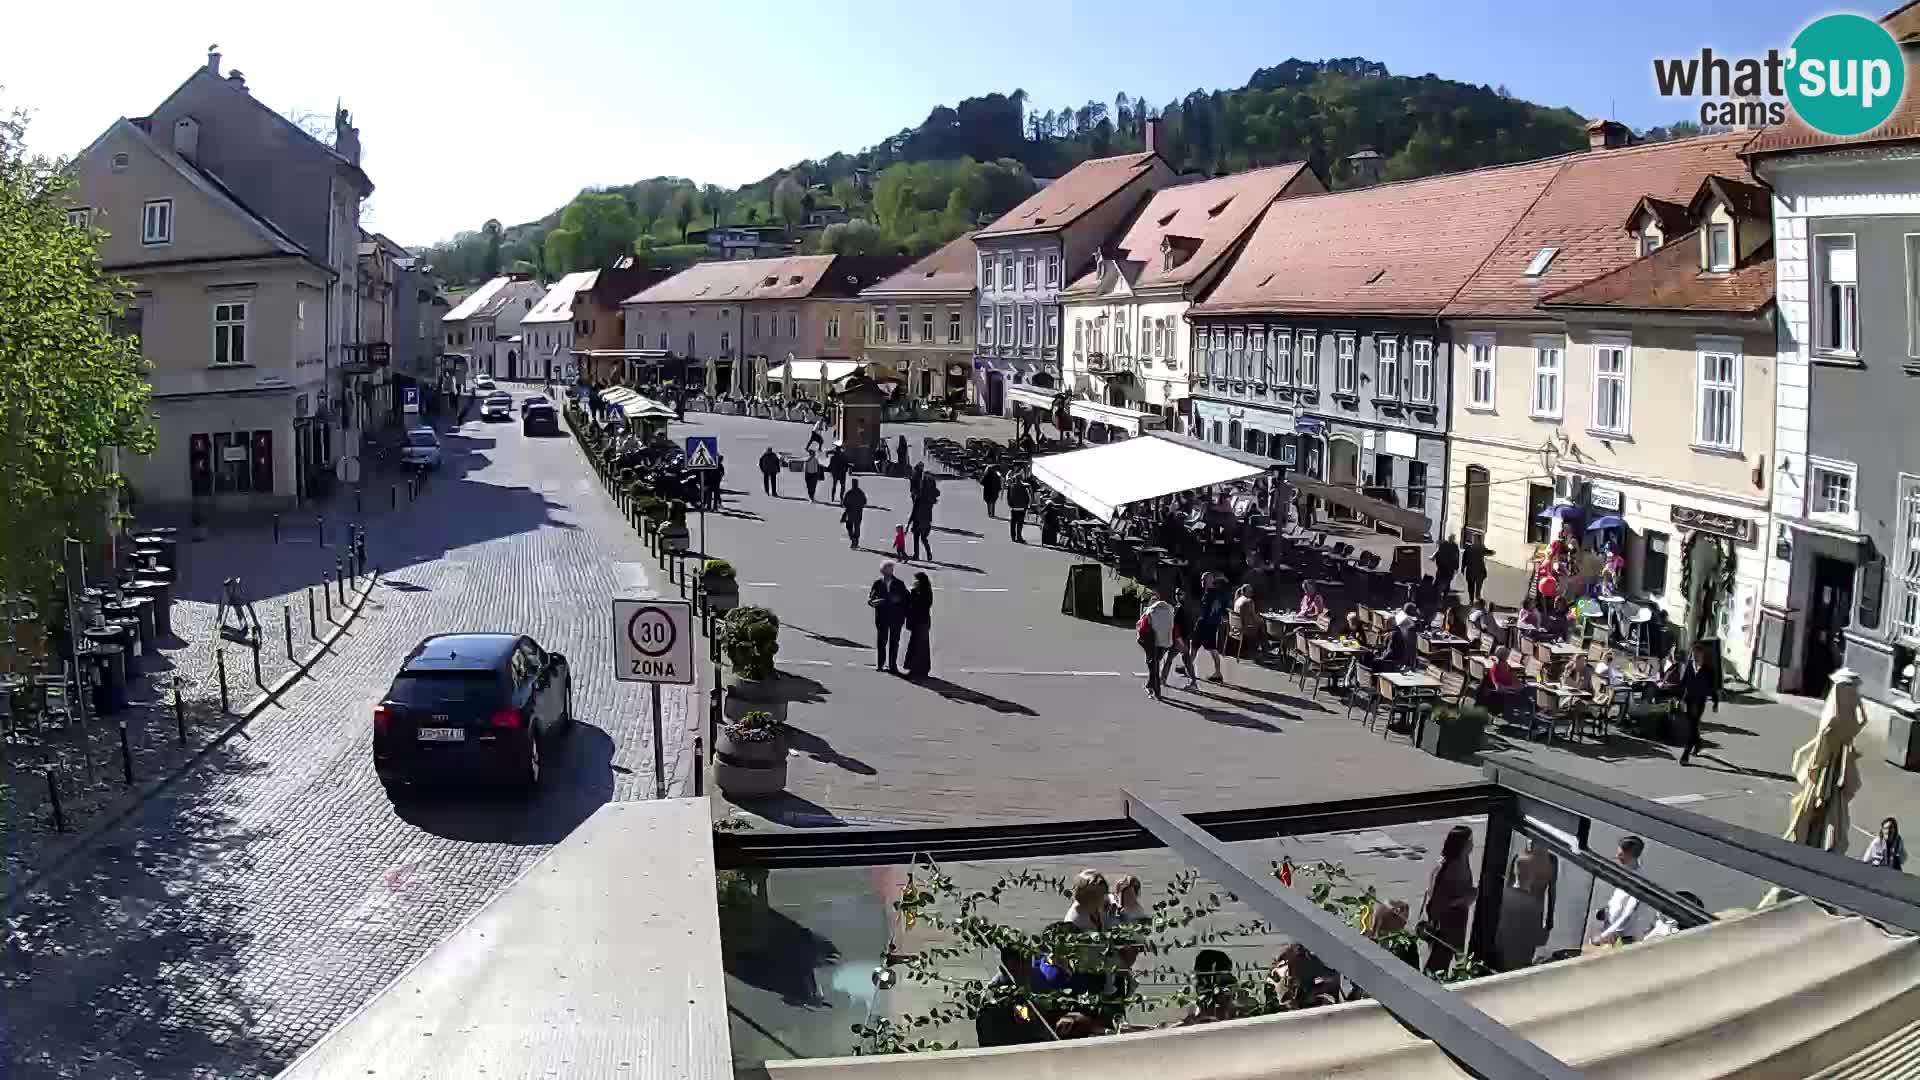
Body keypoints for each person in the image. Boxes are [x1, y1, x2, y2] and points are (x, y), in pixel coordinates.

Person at [1422, 825, 1477, 975]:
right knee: (1440, 958)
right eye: (1470, 840)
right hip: (1447, 920)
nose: (1472, 844)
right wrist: (1463, 899)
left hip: (1458, 917)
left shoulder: (1462, 859)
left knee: (1450, 954)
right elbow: (1437, 898)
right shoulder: (1447, 866)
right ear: (1461, 843)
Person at [1495, 838, 1557, 971]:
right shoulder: (1520, 858)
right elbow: (1508, 883)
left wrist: (1550, 917)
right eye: (1529, 840)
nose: (1529, 842)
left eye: (1534, 840)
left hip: (1535, 909)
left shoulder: (1551, 861)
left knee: (1526, 945)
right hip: (1519, 906)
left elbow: (1552, 890)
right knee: (1513, 942)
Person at [1589, 836, 1656, 946]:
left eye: (1620, 854)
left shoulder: (1639, 880)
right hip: (1614, 933)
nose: (1616, 857)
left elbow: (1628, 913)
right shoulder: (1626, 874)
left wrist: (1604, 935)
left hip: (1625, 937)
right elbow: (1620, 902)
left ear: (1630, 854)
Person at [1677, 641, 1720, 766]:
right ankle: (1698, 743)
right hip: (1689, 700)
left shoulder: (1708, 670)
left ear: (1702, 655)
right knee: (1693, 726)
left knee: (1692, 727)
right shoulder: (1690, 667)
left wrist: (1715, 702)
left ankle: (1685, 755)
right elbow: (1683, 683)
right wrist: (1677, 697)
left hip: (1700, 701)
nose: (1695, 656)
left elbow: (1713, 688)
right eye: (1693, 653)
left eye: (1698, 654)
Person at [868, 562, 910, 673]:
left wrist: (898, 601)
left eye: (890, 569)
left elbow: (907, 598)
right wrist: (874, 602)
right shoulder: (877, 583)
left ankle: (892, 665)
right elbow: (871, 599)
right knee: (881, 641)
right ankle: (880, 664)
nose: (889, 571)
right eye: (886, 569)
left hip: (896, 618)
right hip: (882, 617)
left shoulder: (899, 583)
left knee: (894, 642)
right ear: (882, 571)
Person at [1193, 574, 1229, 683]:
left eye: (1205, 579)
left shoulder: (1209, 594)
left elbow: (1205, 611)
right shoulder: (1217, 593)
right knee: (1194, 646)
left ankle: (1218, 673)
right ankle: (1188, 664)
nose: (1202, 581)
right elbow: (1222, 608)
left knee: (1211, 649)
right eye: (1202, 579)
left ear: (1211, 581)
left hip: (1206, 625)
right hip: (1210, 624)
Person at [1162, 586, 1199, 690]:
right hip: (1185, 638)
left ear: (1184, 595)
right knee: (1186, 660)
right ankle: (1193, 683)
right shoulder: (1187, 607)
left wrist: (1177, 639)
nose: (1177, 596)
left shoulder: (1179, 608)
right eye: (1176, 594)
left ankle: (1162, 679)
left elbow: (1174, 625)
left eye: (1180, 594)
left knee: (1169, 659)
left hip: (1179, 639)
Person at [1141, 590, 1175, 700]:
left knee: (1153, 667)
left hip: (1153, 642)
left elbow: (1142, 627)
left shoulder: (1149, 611)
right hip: (1165, 643)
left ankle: (1156, 691)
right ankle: (1150, 685)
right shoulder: (1170, 610)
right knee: (1155, 665)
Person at [904, 572, 933, 679]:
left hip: (920, 622)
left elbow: (917, 605)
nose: (915, 582)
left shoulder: (923, 593)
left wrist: (914, 593)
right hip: (922, 622)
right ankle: (921, 669)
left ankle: (915, 669)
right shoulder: (924, 592)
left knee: (916, 646)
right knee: (921, 646)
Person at [840, 479, 868, 548]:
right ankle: (855, 542)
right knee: (857, 527)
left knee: (849, 526)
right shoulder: (860, 492)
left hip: (850, 513)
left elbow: (844, 503)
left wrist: (847, 507)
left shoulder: (849, 493)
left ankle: (853, 539)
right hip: (858, 513)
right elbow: (864, 502)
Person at [1462, 536, 1489, 605]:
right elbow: (1464, 559)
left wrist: (1462, 568)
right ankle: (1473, 600)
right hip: (1474, 572)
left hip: (1476, 572)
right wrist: (1462, 567)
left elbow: (1464, 560)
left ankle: (1475, 599)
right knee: (1473, 586)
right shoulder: (1471, 549)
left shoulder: (1479, 549)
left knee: (1475, 586)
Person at [1005, 475, 1032, 542]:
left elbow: (1009, 497)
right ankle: (1019, 537)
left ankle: (1013, 537)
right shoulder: (1024, 487)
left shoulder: (1012, 486)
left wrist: (1010, 504)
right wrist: (1027, 506)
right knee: (1020, 524)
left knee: (1013, 523)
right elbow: (1027, 497)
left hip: (1014, 508)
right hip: (1022, 508)